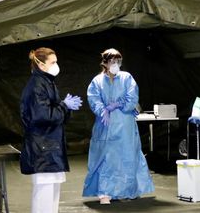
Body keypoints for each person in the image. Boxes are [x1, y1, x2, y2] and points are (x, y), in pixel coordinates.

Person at [82, 48, 154, 204]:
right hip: (105, 125)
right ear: (105, 63)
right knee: (106, 158)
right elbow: (94, 99)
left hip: (125, 125)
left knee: (127, 157)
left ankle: (126, 191)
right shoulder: (97, 81)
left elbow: (132, 97)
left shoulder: (127, 78)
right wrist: (103, 110)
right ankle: (105, 193)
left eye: (118, 61)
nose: (116, 64)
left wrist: (118, 104)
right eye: (113, 61)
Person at [20, 47, 82, 213]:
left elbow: (51, 111)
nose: (56, 65)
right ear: (41, 65)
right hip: (42, 148)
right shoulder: (37, 85)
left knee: (52, 193)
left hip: (49, 146)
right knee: (44, 195)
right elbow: (42, 115)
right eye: (53, 62)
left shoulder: (46, 82)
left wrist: (64, 107)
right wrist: (64, 105)